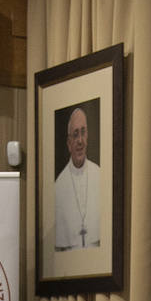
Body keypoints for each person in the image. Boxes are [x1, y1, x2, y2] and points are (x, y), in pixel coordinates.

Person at [54, 107, 101, 250]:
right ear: (68, 143)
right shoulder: (59, 186)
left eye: (83, 132)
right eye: (75, 135)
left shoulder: (100, 175)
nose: (80, 140)